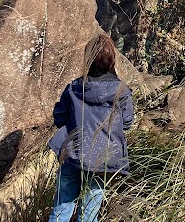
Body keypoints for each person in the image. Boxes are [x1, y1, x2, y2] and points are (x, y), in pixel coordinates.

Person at [47, 34, 134, 222]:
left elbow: (59, 116)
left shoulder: (74, 88)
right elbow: (127, 122)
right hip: (103, 159)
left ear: (88, 59)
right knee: (88, 215)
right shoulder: (121, 90)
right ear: (112, 59)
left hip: (73, 153)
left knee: (61, 211)